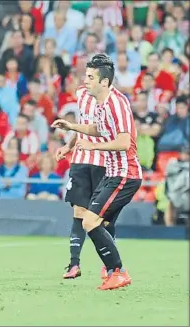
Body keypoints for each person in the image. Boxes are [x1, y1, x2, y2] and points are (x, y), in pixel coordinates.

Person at [52, 54, 142, 290]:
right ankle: (113, 270)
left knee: (90, 221)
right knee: (94, 221)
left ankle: (117, 271)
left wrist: (93, 146)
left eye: (91, 77)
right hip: (114, 173)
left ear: (104, 82)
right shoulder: (102, 103)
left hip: (125, 174)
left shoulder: (116, 103)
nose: (86, 80)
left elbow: (124, 142)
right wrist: (72, 128)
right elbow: (97, 128)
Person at [55, 84, 108, 279]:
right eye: (86, 75)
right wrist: (68, 146)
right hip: (80, 160)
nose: (87, 79)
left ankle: (108, 265)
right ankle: (74, 264)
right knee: (78, 211)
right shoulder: (81, 93)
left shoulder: (111, 98)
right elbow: (82, 125)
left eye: (90, 75)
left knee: (103, 216)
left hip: (103, 160)